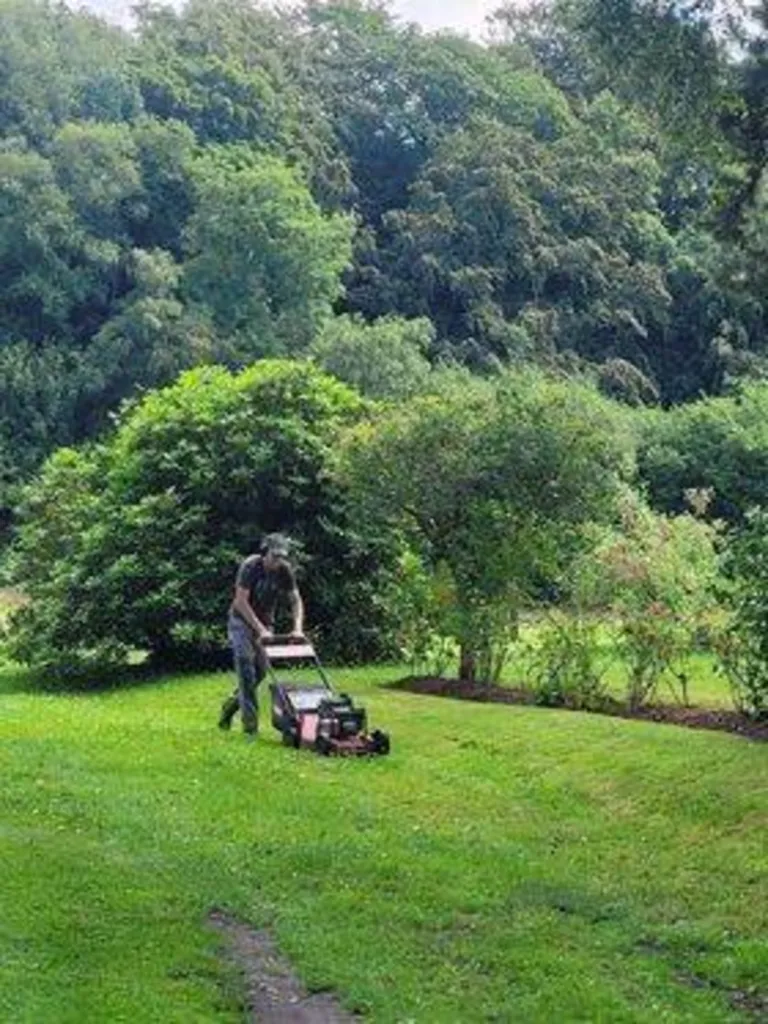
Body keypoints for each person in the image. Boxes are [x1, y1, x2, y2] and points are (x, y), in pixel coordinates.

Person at [218, 533, 305, 737]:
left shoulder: (284, 571)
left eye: (282, 557)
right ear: (265, 553)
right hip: (241, 621)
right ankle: (251, 730)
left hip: (265, 623)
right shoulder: (251, 566)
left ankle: (230, 705)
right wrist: (260, 630)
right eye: (275, 556)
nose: (279, 561)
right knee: (246, 668)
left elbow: (295, 600)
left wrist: (298, 627)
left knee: (261, 672)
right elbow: (240, 601)